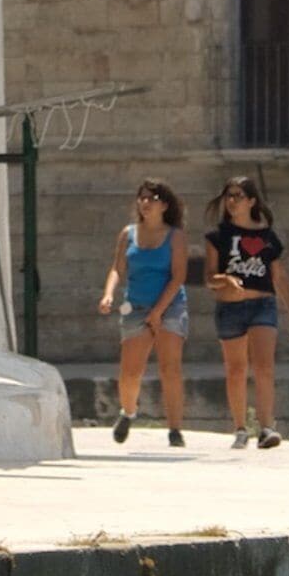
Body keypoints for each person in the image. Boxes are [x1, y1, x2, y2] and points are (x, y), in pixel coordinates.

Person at [196, 176, 289, 447]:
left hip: (262, 305)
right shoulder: (217, 237)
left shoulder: (267, 238)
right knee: (236, 369)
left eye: (238, 196)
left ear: (252, 201)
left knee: (264, 367)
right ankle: (240, 428)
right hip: (230, 307)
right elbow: (209, 278)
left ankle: (267, 427)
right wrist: (226, 280)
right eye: (229, 195)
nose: (232, 201)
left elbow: (279, 278)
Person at [98, 180, 191, 447]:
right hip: (135, 306)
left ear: (164, 204)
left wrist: (159, 312)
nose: (145, 203)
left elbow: (178, 277)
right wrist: (108, 294)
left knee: (170, 368)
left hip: (170, 306)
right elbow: (117, 268)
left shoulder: (176, 237)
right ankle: (128, 412)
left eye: (152, 198)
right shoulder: (128, 234)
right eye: (142, 198)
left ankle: (175, 430)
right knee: (130, 372)